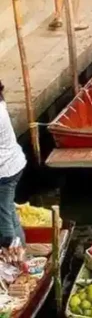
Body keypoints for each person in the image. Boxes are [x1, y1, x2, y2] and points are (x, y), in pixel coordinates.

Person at [0, 81, 26, 245]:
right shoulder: (1, 103)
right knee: (8, 209)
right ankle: (21, 247)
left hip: (5, 170)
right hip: (14, 163)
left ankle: (12, 254)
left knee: (3, 217)